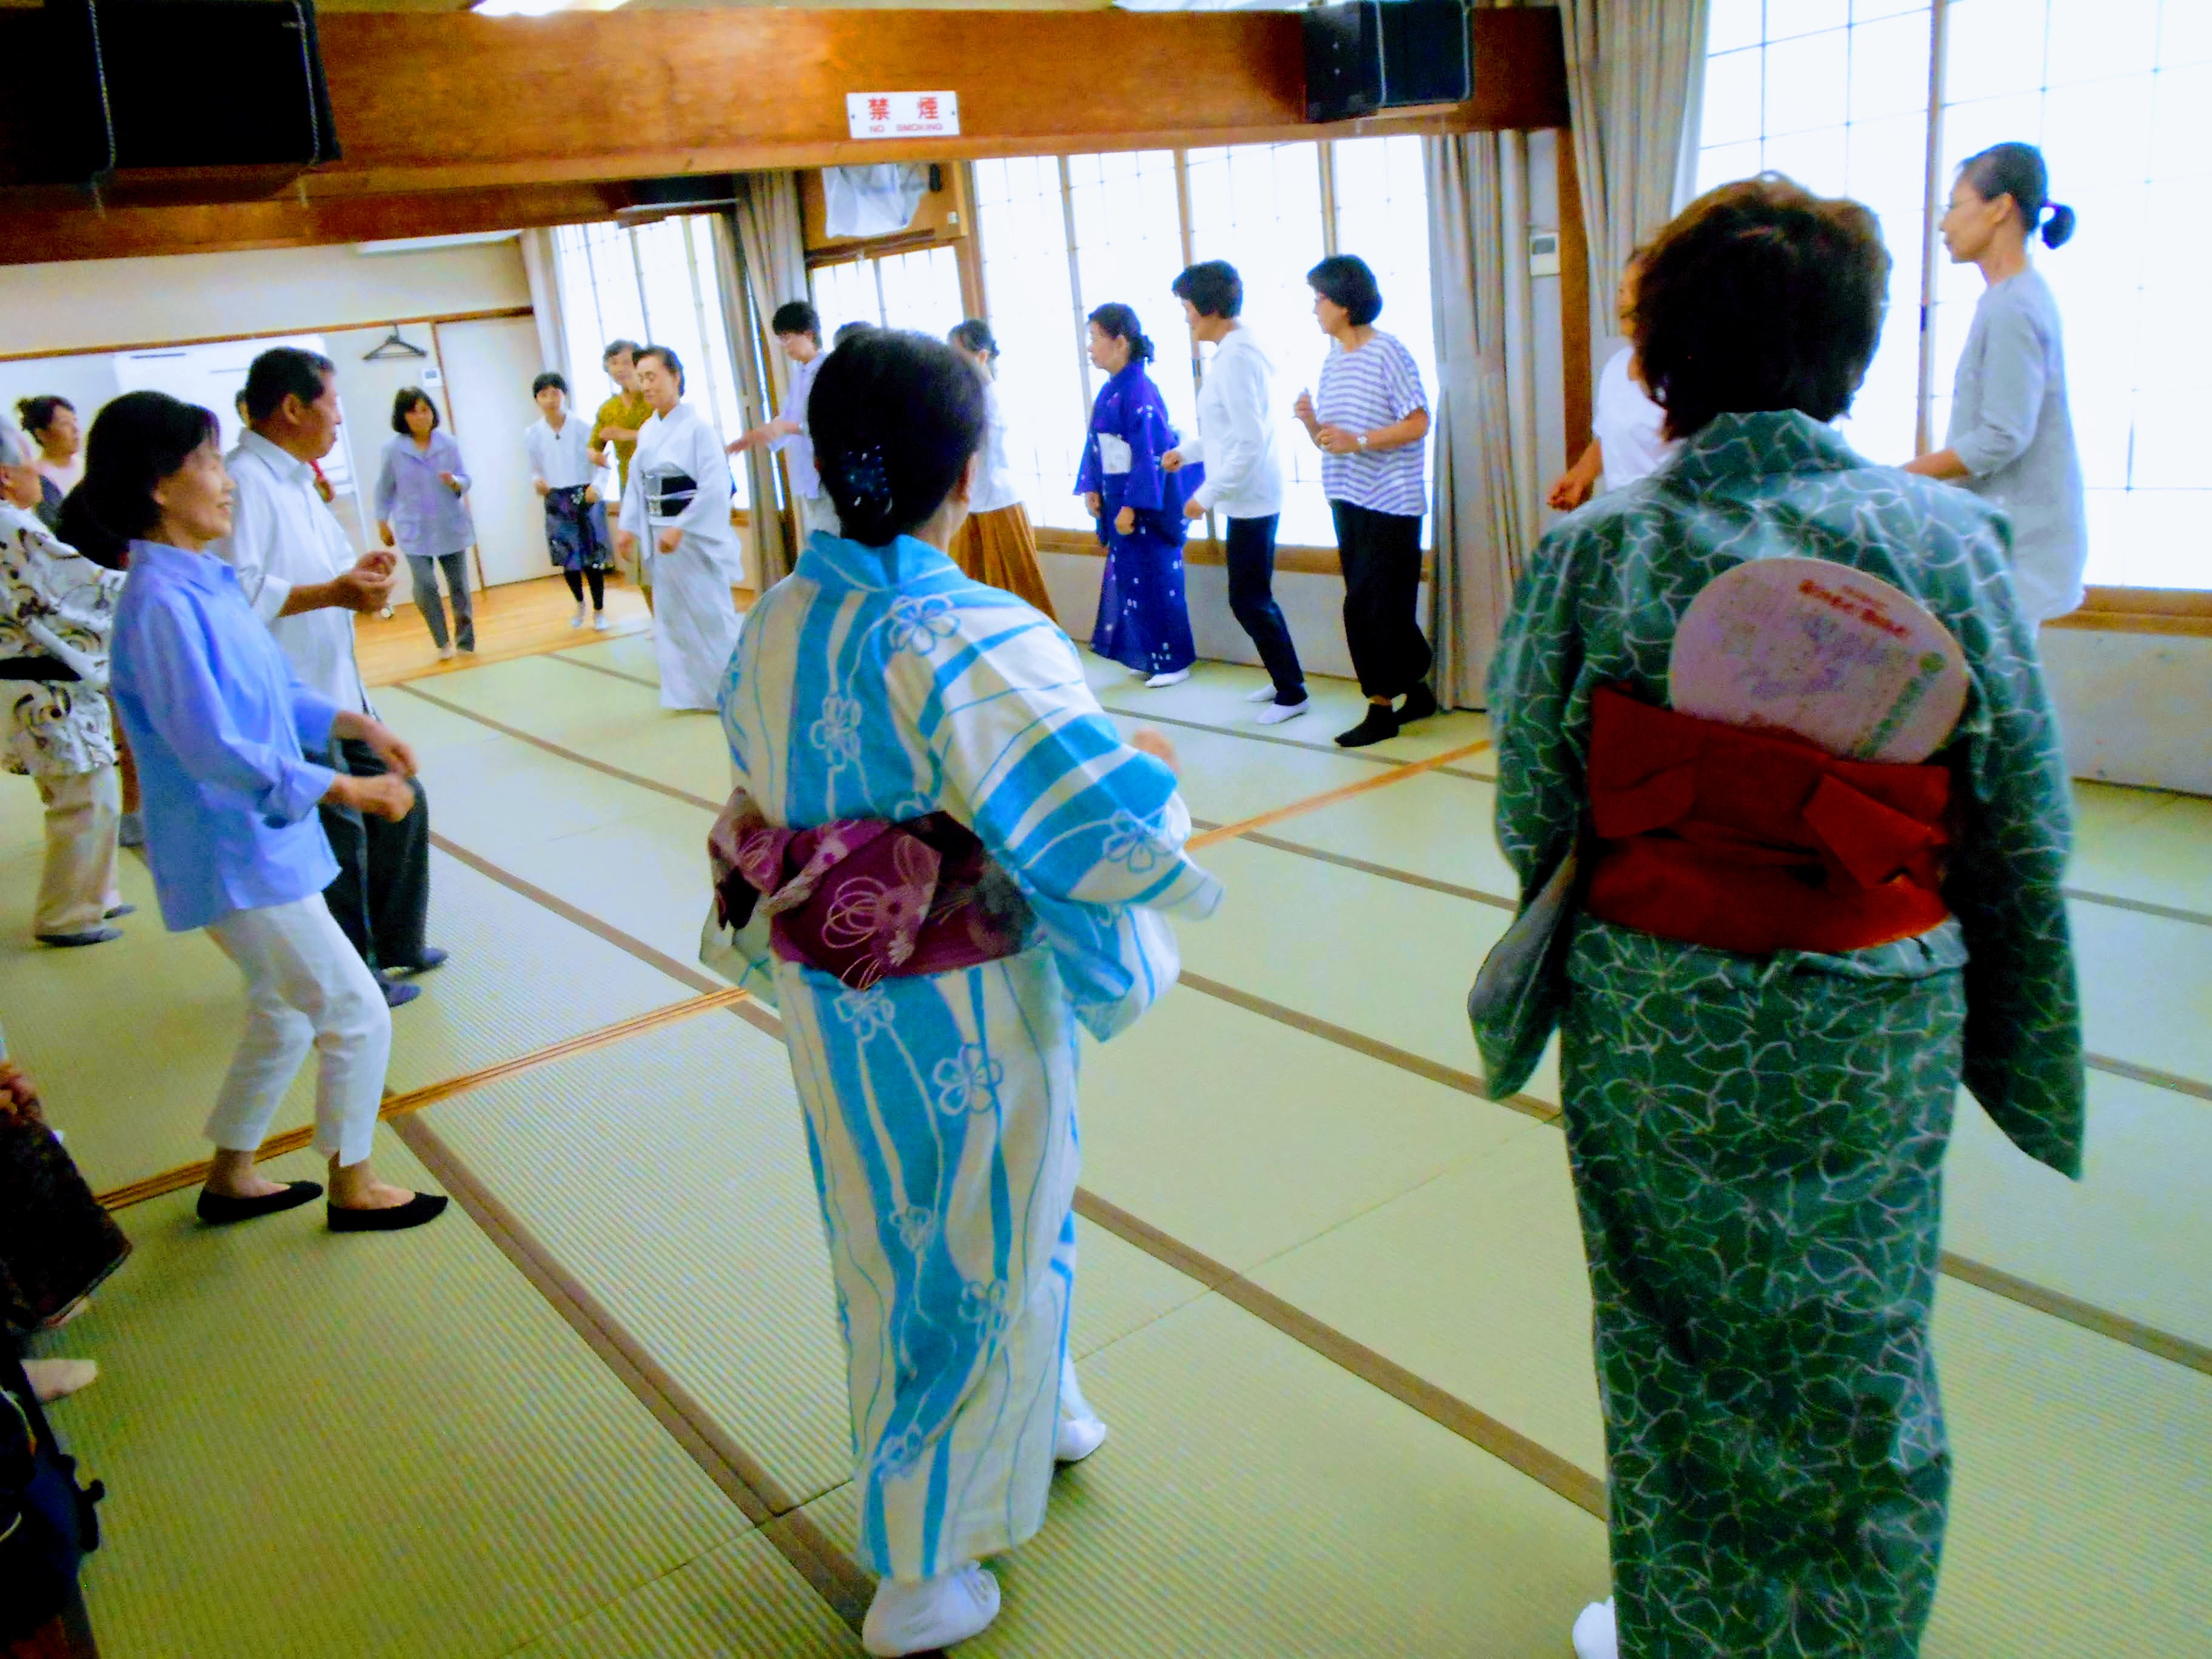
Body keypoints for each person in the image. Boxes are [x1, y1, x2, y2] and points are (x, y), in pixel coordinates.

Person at [1480, 175, 2084, 1659]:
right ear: (1854, 351)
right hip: (1872, 1004)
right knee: (1856, 1334)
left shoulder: (1598, 549)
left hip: (1659, 1005)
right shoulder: (1944, 541)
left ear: (1656, 359)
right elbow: (2025, 812)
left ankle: (1686, 1621)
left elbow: (1533, 802)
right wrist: (2019, 1013)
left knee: (1673, 1338)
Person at [705, 328, 1220, 1657]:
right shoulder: (963, 626)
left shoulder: (776, 618)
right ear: (968, 468)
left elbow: (770, 792)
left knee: (894, 1228)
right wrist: (1149, 775)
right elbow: (1087, 805)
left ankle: (1035, 1405)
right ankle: (924, 1564)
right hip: (964, 995)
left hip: (835, 996)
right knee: (975, 1241)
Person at [65, 390, 449, 1232]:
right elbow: (215, 750)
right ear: (161, 486)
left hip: (264, 840)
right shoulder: (161, 604)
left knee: (282, 1008)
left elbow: (273, 693)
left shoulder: (205, 585)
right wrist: (346, 788)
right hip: (231, 848)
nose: (224, 477)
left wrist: (354, 725)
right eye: (206, 461)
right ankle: (354, 1185)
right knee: (353, 1008)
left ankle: (232, 1174)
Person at [215, 347, 447, 1010]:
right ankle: (355, 974)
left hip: (337, 684)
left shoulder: (294, 477)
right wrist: (334, 593)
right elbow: (243, 590)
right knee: (341, 832)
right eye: (334, 403)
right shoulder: (248, 481)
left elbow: (325, 568)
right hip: (290, 693)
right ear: (292, 407)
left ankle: (399, 943)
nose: (340, 418)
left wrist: (361, 576)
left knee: (405, 798)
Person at [1903, 142, 2086, 624]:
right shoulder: (2013, 297)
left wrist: (1900, 478)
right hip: (2012, 544)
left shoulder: (2013, 306)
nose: (1944, 224)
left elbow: (2002, 436)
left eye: (1954, 206)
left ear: (2001, 207)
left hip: (2021, 550)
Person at [1295, 253, 1435, 747]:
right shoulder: (1333, 359)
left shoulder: (1387, 352)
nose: (1314, 309)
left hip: (1391, 500)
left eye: (1320, 299)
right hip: (1346, 498)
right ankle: (1417, 688)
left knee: (1369, 606)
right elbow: (1334, 439)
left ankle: (1381, 709)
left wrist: (1361, 440)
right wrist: (1312, 422)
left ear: (1344, 303)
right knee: (1382, 605)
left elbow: (1418, 422)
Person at [0, 421, 127, 949]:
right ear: (7, 477)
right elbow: (81, 588)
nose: (38, 477)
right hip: (44, 685)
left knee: (79, 791)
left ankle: (98, 895)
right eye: (30, 466)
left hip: (30, 681)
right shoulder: (11, 524)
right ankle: (67, 914)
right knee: (85, 796)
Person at [1164, 261, 1306, 723]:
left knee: (1248, 598)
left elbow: (1250, 441)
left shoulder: (1238, 357)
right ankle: (1285, 678)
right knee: (1252, 595)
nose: (1186, 319)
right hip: (1248, 494)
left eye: (1188, 308)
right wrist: (1186, 453)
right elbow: (1227, 434)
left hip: (1252, 497)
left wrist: (1203, 496)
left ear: (1210, 308)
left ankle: (1292, 692)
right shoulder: (1233, 352)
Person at [615, 346, 743, 712]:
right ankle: (690, 692)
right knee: (671, 617)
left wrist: (683, 526)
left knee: (709, 612)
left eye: (652, 376)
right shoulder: (647, 431)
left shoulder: (699, 430)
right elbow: (637, 484)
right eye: (641, 378)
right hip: (661, 533)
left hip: (691, 536)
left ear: (676, 376)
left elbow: (716, 487)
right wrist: (628, 527)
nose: (647, 385)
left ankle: (732, 688)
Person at [1078, 303, 1199, 688]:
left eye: (1096, 338)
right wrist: (1093, 487)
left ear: (1120, 341)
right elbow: (1096, 446)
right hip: (1118, 496)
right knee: (1132, 581)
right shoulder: (1111, 390)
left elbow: (1150, 451)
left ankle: (1174, 661)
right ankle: (1150, 655)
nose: (1090, 347)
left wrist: (1131, 505)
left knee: (1158, 578)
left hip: (1146, 503)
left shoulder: (1141, 390)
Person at [943, 320, 1057, 620]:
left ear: (981, 356)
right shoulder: (965, 394)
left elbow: (985, 447)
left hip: (998, 502)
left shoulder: (993, 396)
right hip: (970, 504)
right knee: (968, 590)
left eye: (959, 355)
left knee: (1019, 590)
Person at [1547, 251, 1677, 510]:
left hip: (1668, 529)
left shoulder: (1683, 376)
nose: (1622, 303)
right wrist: (1580, 476)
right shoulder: (1616, 367)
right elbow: (1609, 435)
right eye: (1621, 291)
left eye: (1633, 291)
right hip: (1621, 522)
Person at [372, 388, 477, 662]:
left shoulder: (448, 443)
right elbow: (384, 489)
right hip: (413, 529)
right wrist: (382, 522)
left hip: (449, 524)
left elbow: (466, 479)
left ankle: (466, 641)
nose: (421, 417)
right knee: (426, 585)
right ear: (402, 417)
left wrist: (455, 482)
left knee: (459, 588)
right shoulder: (393, 449)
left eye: (425, 410)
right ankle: (441, 640)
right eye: (413, 411)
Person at [727, 301, 835, 538]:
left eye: (787, 338)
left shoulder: (829, 369)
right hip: (808, 473)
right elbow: (786, 419)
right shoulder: (801, 373)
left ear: (808, 334)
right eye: (781, 339)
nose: (784, 346)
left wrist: (790, 428)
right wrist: (751, 438)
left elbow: (831, 423)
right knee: (821, 537)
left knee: (834, 538)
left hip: (829, 470)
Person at [525, 372, 612, 632]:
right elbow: (534, 469)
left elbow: (605, 462)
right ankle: (580, 604)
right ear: (537, 400)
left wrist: (597, 487)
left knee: (592, 558)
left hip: (584, 495)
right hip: (557, 498)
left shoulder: (584, 427)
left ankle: (599, 610)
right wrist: (537, 482)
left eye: (556, 393)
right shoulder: (533, 433)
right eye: (544, 394)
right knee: (568, 558)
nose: (551, 399)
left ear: (565, 395)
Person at [591, 340, 656, 614]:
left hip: (661, 482)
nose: (619, 369)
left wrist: (625, 434)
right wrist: (596, 455)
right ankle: (657, 618)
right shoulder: (609, 408)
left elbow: (667, 434)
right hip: (630, 486)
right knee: (640, 557)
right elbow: (595, 444)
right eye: (613, 364)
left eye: (625, 362)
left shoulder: (653, 397)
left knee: (669, 556)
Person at [13, 398, 81, 534]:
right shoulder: (39, 478)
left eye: (75, 421)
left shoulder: (86, 463)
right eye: (65, 424)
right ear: (42, 434)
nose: (76, 429)